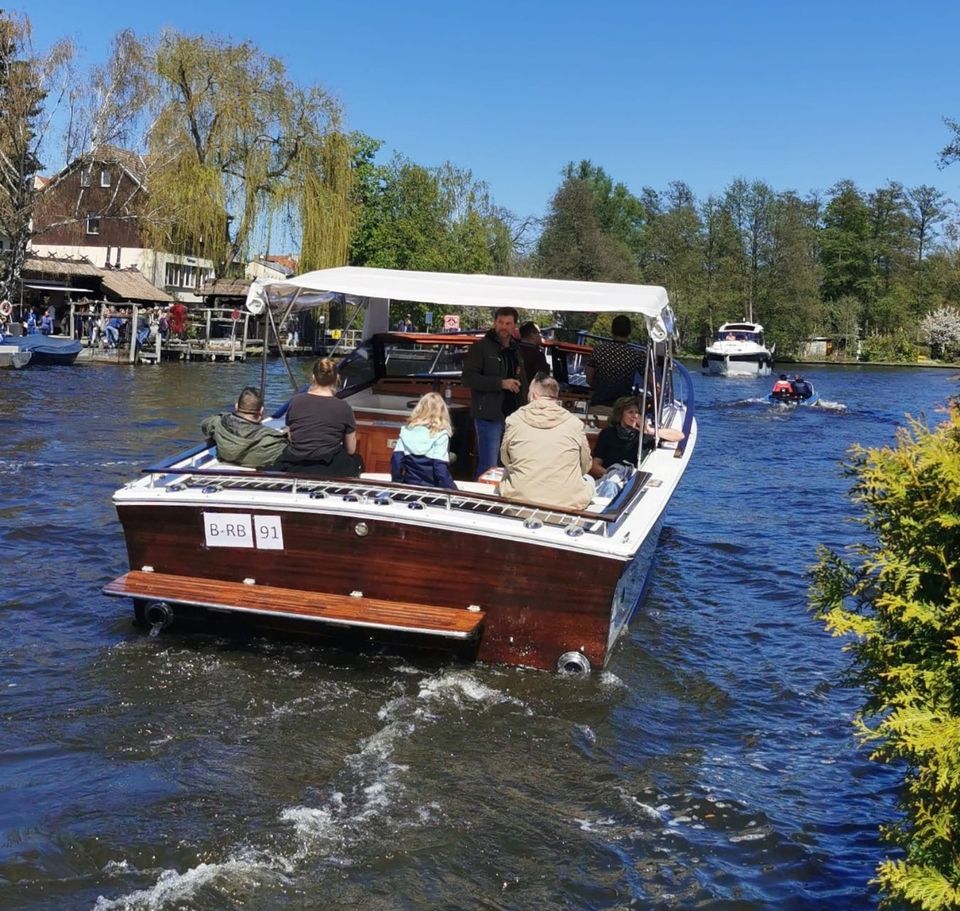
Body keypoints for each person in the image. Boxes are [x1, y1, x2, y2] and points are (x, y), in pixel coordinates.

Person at [500, 374, 594, 510]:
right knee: (589, 480)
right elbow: (585, 465)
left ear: (532, 394)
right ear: (556, 397)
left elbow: (505, 459)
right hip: (568, 502)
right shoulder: (575, 423)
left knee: (508, 474)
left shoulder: (514, 420)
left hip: (521, 497)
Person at [462, 306, 528, 477]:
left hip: (514, 416)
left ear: (515, 326)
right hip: (489, 416)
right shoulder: (480, 347)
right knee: (488, 467)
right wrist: (500, 383)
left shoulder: (516, 350)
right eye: (500, 322)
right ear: (494, 323)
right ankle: (483, 501)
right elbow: (468, 378)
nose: (503, 327)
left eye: (508, 323)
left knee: (511, 466)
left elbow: (523, 383)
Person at [273, 357, 362, 477]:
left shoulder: (296, 402)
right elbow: (350, 449)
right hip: (329, 466)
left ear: (313, 377)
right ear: (337, 378)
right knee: (357, 460)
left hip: (296, 464)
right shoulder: (343, 407)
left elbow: (291, 436)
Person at [201, 386, 289, 469]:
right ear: (262, 411)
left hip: (223, 467)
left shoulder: (217, 422)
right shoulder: (273, 441)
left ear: (236, 406)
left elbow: (205, 425)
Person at [390, 392, 457, 489]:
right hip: (432, 489)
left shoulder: (406, 431)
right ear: (442, 411)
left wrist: (397, 484)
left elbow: (397, 462)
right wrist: (453, 490)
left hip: (409, 487)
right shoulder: (441, 435)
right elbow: (440, 469)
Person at [584, 315, 645, 407]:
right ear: (629, 332)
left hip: (599, 404)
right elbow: (651, 381)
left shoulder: (599, 350)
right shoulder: (635, 355)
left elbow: (589, 378)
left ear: (612, 331)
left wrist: (599, 388)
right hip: (622, 408)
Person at [589, 395, 652, 481]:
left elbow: (676, 436)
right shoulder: (607, 434)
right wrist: (612, 476)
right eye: (630, 412)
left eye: (637, 413)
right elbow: (594, 465)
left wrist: (649, 431)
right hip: (609, 478)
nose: (635, 416)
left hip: (632, 480)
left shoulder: (645, 436)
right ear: (620, 414)